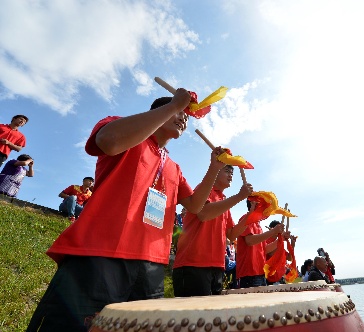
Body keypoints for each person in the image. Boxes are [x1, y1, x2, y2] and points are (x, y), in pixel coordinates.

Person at [27, 89, 227, 332]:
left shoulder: (174, 167)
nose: (184, 118)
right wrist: (174, 105)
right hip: (101, 253)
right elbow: (108, 141)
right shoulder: (123, 130)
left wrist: (214, 168)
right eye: (179, 112)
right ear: (159, 112)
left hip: (151, 264)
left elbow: (195, 205)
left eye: (186, 115)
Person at [172, 164, 253, 297]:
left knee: (211, 315)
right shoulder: (204, 190)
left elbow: (231, 234)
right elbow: (203, 214)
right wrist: (239, 196)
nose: (231, 175)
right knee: (194, 316)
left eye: (232, 172)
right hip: (193, 265)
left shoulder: (224, 200)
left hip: (217, 266)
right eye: (227, 171)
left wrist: (252, 214)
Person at [236, 200, 287, 288]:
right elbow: (249, 241)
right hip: (249, 274)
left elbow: (265, 249)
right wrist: (273, 231)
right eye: (262, 203)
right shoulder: (246, 218)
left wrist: (281, 238)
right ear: (253, 203)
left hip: (260, 273)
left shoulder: (257, 225)